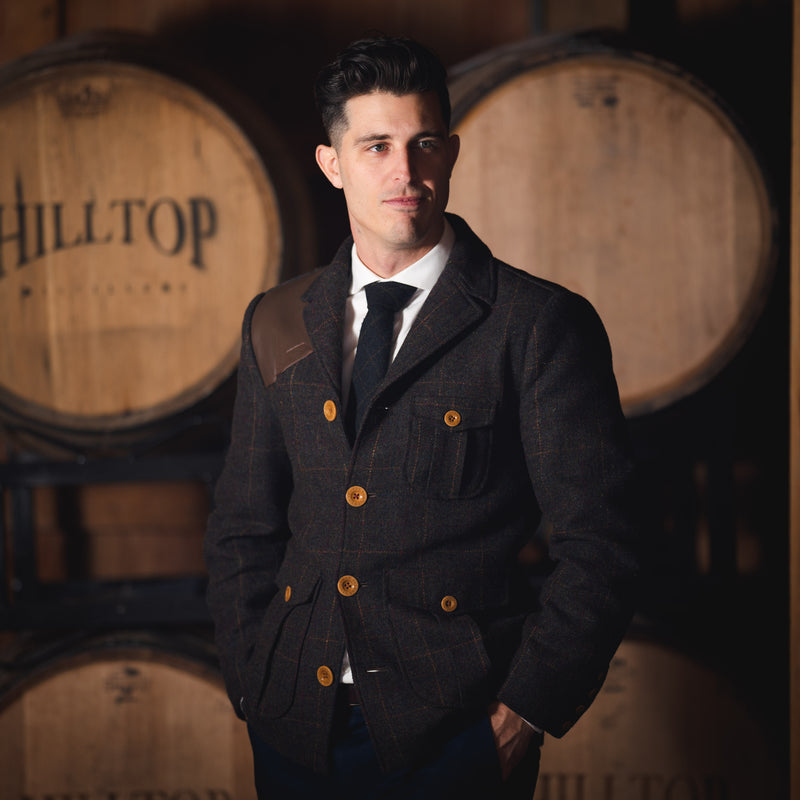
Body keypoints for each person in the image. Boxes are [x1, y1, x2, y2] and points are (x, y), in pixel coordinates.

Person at [204, 34, 640, 799]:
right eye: (375, 147)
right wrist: (251, 683)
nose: (405, 173)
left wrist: (519, 721)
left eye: (424, 143)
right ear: (331, 163)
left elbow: (602, 546)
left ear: (451, 151)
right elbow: (243, 525)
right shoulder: (275, 320)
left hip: (456, 734)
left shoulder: (535, 324)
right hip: (291, 726)